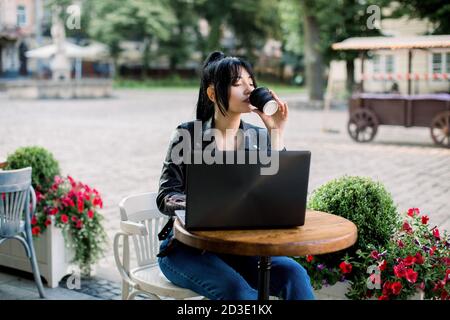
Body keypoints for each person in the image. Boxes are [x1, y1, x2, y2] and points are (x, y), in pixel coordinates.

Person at [156, 51, 315, 300]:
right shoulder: (187, 135)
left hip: (238, 248)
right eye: (237, 83)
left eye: (251, 82)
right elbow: (165, 196)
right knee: (240, 294)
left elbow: (279, 192)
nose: (248, 89)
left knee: (294, 274)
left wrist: (276, 132)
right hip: (187, 249)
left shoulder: (259, 136)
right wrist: (201, 204)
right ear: (212, 93)